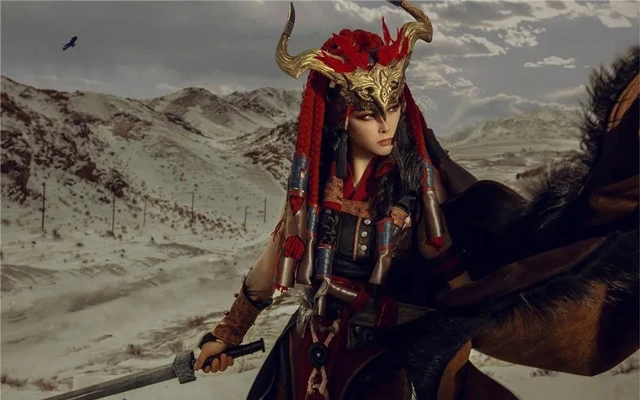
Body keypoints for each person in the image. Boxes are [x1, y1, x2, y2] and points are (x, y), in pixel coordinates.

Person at [193, 1, 639, 399]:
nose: (385, 125)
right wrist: (225, 336)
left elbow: (447, 261)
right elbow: (270, 268)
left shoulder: (416, 186)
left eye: (392, 109)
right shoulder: (311, 193)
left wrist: (489, 299)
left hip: (385, 356)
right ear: (341, 118)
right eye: (368, 114)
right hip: (303, 348)